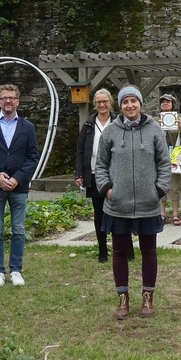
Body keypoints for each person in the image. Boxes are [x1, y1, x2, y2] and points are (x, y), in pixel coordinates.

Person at [95, 85, 171, 319]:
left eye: (133, 101)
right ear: (120, 105)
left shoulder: (154, 130)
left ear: (140, 103)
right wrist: (108, 190)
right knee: (119, 252)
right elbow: (101, 166)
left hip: (148, 204)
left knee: (149, 252)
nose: (130, 105)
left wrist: (157, 190)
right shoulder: (110, 132)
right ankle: (123, 300)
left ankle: (148, 299)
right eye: (125, 101)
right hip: (118, 204)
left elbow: (164, 164)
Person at [0, 83, 40, 287]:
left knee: (19, 230)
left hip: (18, 187)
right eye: (4, 98)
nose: (8, 101)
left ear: (18, 101)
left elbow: (32, 157)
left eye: (12, 97)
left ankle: (16, 270)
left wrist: (17, 178)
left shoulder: (27, 127)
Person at [76, 88, 115, 263]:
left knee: (120, 213)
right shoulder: (89, 125)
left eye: (105, 101)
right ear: (94, 105)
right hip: (94, 174)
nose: (102, 105)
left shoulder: (119, 122)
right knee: (99, 214)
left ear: (111, 103)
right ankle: (102, 251)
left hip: (117, 174)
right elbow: (80, 150)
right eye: (98, 102)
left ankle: (125, 248)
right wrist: (79, 173)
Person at [158, 93, 181, 225]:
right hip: (159, 157)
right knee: (160, 185)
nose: (165, 104)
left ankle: (175, 213)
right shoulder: (155, 120)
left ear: (173, 105)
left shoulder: (180, 120)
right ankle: (162, 213)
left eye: (168, 102)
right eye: (163, 102)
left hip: (176, 156)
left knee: (174, 186)